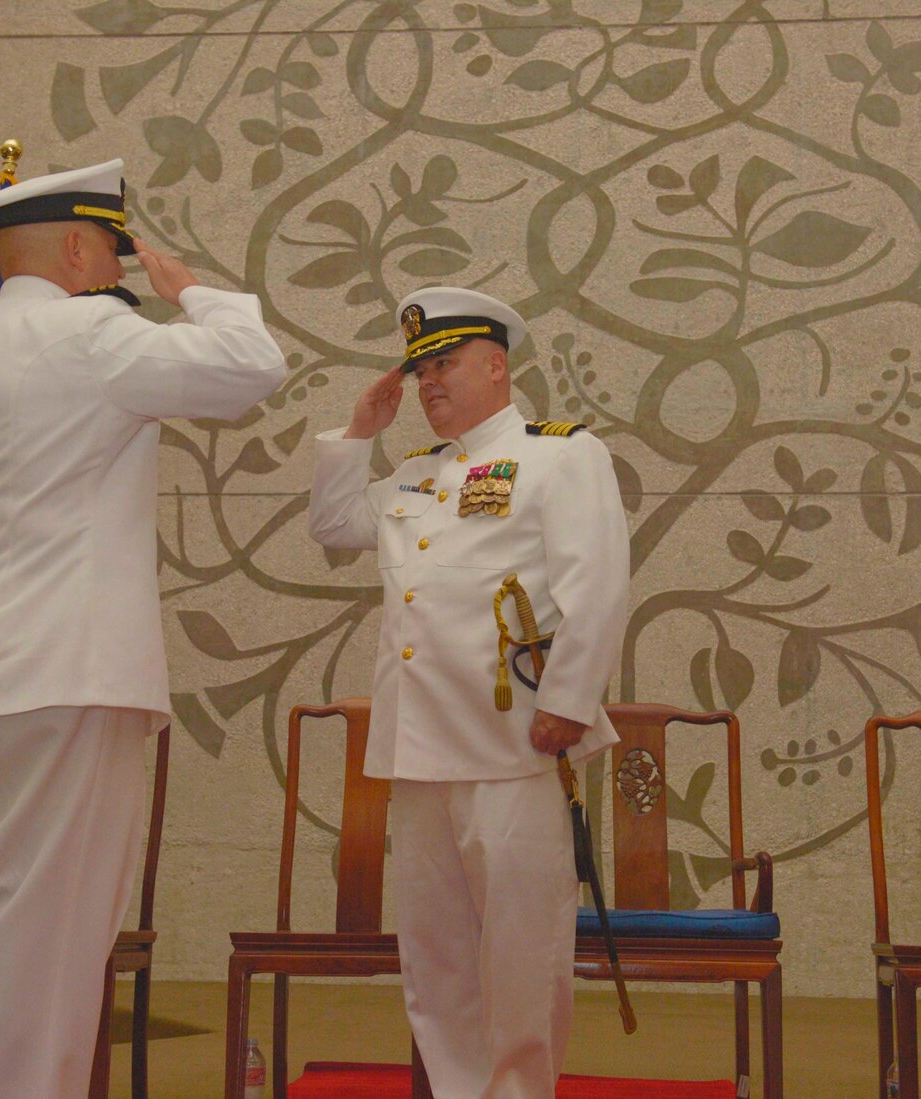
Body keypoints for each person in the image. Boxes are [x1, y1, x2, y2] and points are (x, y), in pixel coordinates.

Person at [0, 157, 285, 1098]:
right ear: (74, 245)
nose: (120, 268)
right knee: (44, 949)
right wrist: (195, 294)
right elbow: (251, 367)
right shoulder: (90, 333)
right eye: (114, 247)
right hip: (67, 680)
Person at [307, 287, 629, 1096]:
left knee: (522, 954)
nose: (427, 384)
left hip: (515, 743)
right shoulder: (416, 474)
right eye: (418, 372)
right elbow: (335, 527)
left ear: (497, 365)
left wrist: (569, 698)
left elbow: (597, 588)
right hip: (420, 750)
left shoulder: (559, 454)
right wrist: (360, 433)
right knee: (437, 957)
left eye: (443, 364)